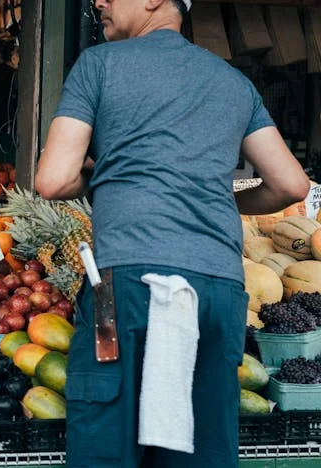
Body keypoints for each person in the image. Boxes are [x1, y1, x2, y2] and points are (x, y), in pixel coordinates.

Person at [34, 0, 309, 467]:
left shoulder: (99, 64)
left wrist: (108, 180)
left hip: (126, 289)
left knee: (107, 443)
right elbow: (291, 184)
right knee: (201, 447)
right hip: (217, 291)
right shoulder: (232, 82)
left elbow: (53, 180)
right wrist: (217, 200)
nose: (98, 2)